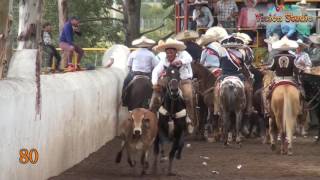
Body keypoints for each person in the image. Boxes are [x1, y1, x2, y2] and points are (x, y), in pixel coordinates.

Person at [150, 38, 195, 133]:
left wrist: (181, 62)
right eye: (167, 53)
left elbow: (190, 59)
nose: (169, 54)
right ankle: (152, 113)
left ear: (176, 52)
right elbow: (156, 71)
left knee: (188, 96)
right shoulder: (164, 60)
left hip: (184, 80)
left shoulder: (184, 54)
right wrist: (154, 83)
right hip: (170, 80)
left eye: (171, 52)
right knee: (156, 91)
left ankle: (190, 120)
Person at [213, 34, 254, 115]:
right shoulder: (240, 54)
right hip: (238, 76)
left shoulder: (222, 54)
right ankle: (249, 107)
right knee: (249, 89)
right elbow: (243, 66)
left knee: (216, 89)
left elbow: (220, 66)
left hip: (225, 76)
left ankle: (217, 108)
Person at [121, 36, 157, 106]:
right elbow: (156, 65)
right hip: (147, 74)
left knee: (125, 83)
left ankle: (124, 100)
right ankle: (155, 102)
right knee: (155, 87)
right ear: (147, 45)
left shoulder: (134, 53)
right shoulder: (151, 54)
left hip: (134, 74)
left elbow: (128, 65)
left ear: (139, 45)